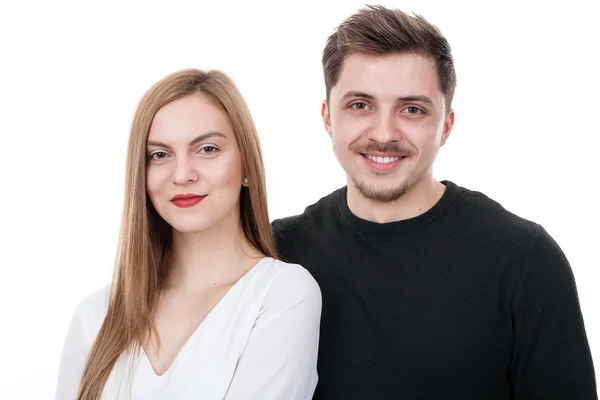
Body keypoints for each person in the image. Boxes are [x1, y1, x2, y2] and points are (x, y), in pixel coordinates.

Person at [272, 5, 597, 399]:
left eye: (412, 109)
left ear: (446, 125)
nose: (384, 133)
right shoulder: (277, 253)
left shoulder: (523, 261)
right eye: (360, 105)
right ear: (328, 117)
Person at [56, 69, 321, 400]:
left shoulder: (282, 295)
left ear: (247, 166)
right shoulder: (95, 316)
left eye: (207, 149)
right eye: (160, 155)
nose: (182, 175)